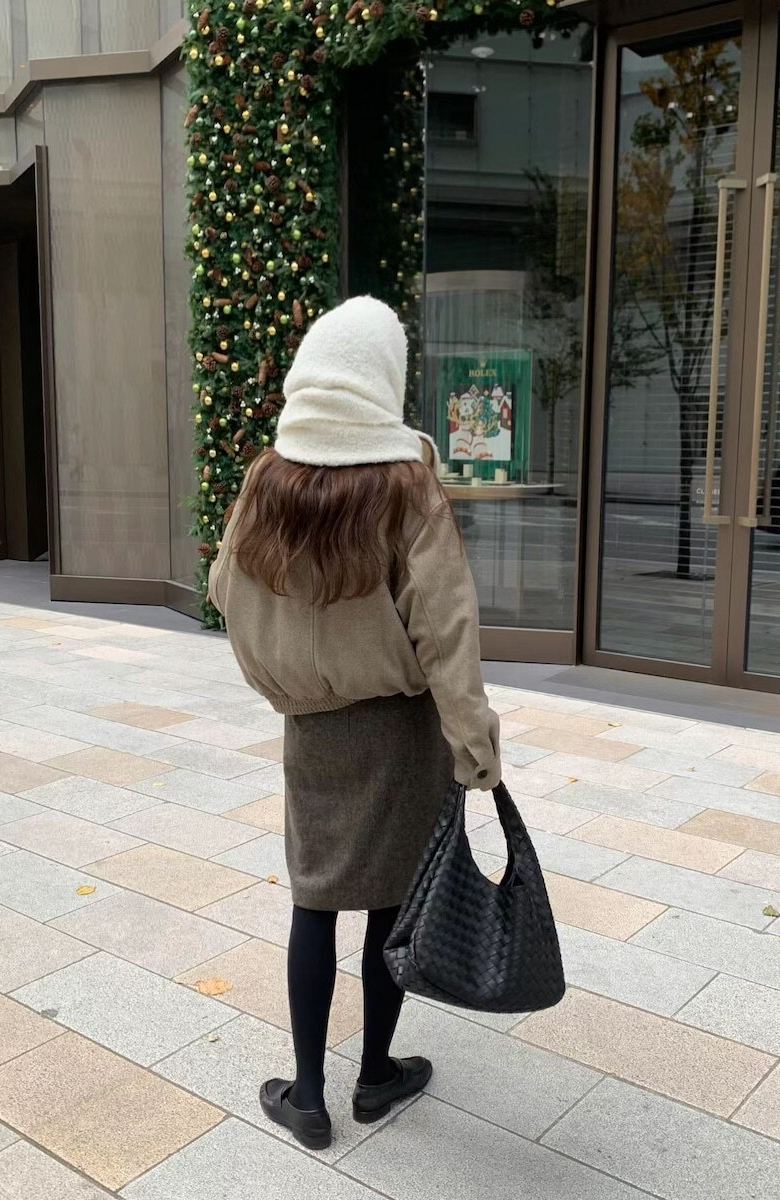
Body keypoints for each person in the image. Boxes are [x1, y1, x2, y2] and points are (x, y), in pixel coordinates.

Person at [208, 295, 501, 1150]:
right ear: (382, 379)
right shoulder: (407, 482)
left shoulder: (269, 478)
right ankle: (376, 1075)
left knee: (314, 899)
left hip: (313, 726)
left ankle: (306, 1093)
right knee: (390, 903)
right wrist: (474, 746)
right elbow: (445, 628)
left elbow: (227, 589)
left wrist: (282, 678)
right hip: (402, 728)